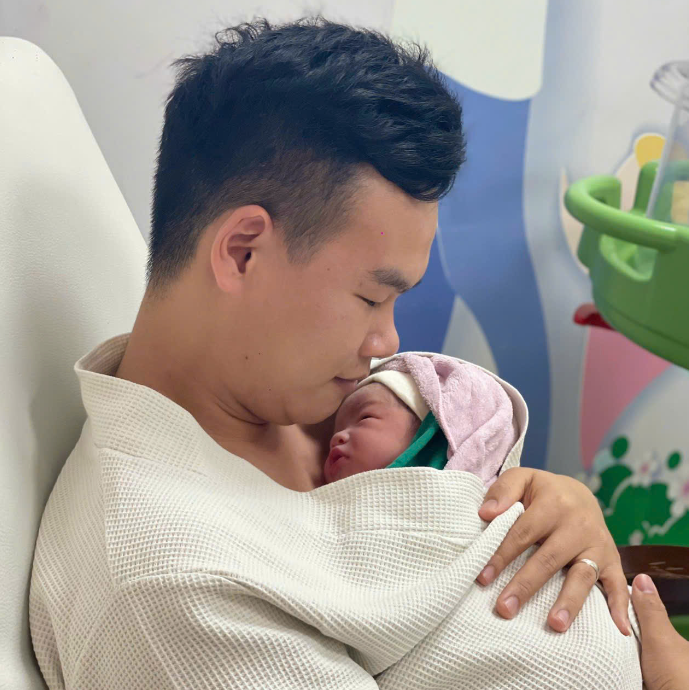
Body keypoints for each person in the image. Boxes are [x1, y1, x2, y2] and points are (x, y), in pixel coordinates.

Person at [29, 16, 678, 689]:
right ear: (242, 252)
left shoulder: (306, 395)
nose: (387, 342)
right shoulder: (169, 587)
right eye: (371, 297)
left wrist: (559, 504)